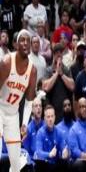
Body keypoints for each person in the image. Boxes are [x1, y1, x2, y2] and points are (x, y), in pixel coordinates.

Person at [0, 29, 37, 172]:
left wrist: (24, 123)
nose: (26, 43)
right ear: (16, 44)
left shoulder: (32, 71)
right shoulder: (7, 62)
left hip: (13, 115)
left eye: (28, 40)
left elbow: (29, 101)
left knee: (16, 164)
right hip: (0, 109)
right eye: (22, 40)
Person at [34, 104, 70, 172]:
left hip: (56, 165)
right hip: (44, 165)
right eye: (48, 117)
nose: (50, 119)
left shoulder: (59, 132)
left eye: (52, 116)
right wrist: (49, 154)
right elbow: (38, 152)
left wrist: (65, 153)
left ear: (55, 117)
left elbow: (63, 149)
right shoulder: (40, 133)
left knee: (67, 163)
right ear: (44, 118)